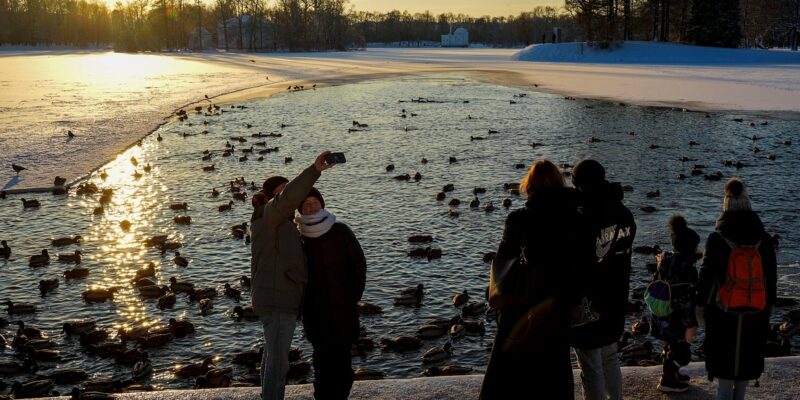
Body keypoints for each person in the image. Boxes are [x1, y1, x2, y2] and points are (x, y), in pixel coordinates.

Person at [480, 159, 593, 400]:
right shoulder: (578, 217)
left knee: (511, 365)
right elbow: (585, 261)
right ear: (558, 182)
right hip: (560, 300)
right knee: (556, 366)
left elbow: (504, 260)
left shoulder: (520, 218)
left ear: (529, 185)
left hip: (527, 300)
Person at [250, 151, 335, 400]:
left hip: (280, 297)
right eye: (284, 191)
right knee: (278, 364)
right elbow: (289, 198)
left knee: (272, 358)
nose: (289, 197)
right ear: (274, 195)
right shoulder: (270, 215)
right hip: (277, 299)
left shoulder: (281, 223)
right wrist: (314, 170)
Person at [696, 177, 777, 400]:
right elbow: (771, 278)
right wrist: (769, 307)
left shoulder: (717, 239)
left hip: (723, 314)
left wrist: (699, 308)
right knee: (744, 373)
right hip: (755, 312)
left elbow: (705, 277)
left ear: (726, 204)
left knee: (724, 378)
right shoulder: (765, 241)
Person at [569, 159, 636, 400]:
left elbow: (578, 261)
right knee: (610, 357)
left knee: (591, 366)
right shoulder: (624, 214)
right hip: (617, 298)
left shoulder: (585, 218)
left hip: (591, 302)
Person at [295, 187, 367, 400]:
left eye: (314, 202)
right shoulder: (297, 237)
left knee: (343, 364)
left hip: (343, 308)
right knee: (322, 363)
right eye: (306, 204)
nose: (311, 206)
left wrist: (353, 296)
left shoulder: (340, 230)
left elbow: (359, 264)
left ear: (322, 204)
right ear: (300, 209)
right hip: (315, 311)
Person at [648, 215, 700, 393]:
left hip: (662, 316)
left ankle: (672, 373)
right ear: (689, 249)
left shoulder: (665, 262)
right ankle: (668, 379)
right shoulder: (687, 271)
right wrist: (691, 325)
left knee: (671, 345)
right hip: (677, 321)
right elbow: (686, 302)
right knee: (683, 353)